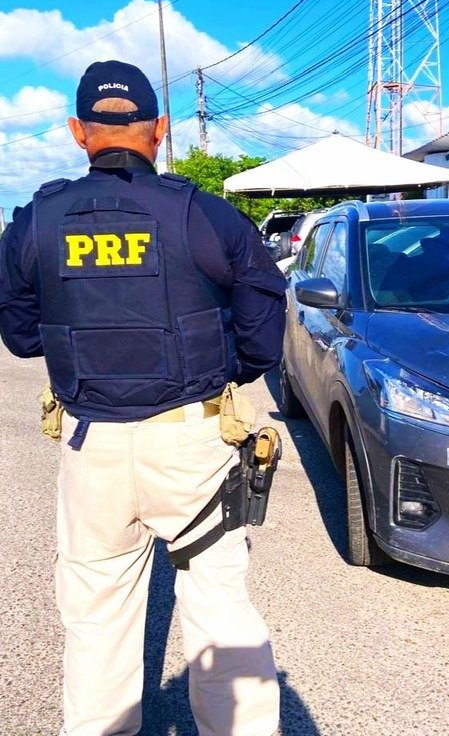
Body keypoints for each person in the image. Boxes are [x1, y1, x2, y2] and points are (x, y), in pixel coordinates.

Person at [0, 60, 287, 736]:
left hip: (92, 442)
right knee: (219, 610)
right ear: (159, 129)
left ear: (78, 132)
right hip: (193, 438)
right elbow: (263, 331)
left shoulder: (37, 221)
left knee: (97, 620)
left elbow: (20, 335)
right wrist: (220, 369)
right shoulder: (204, 214)